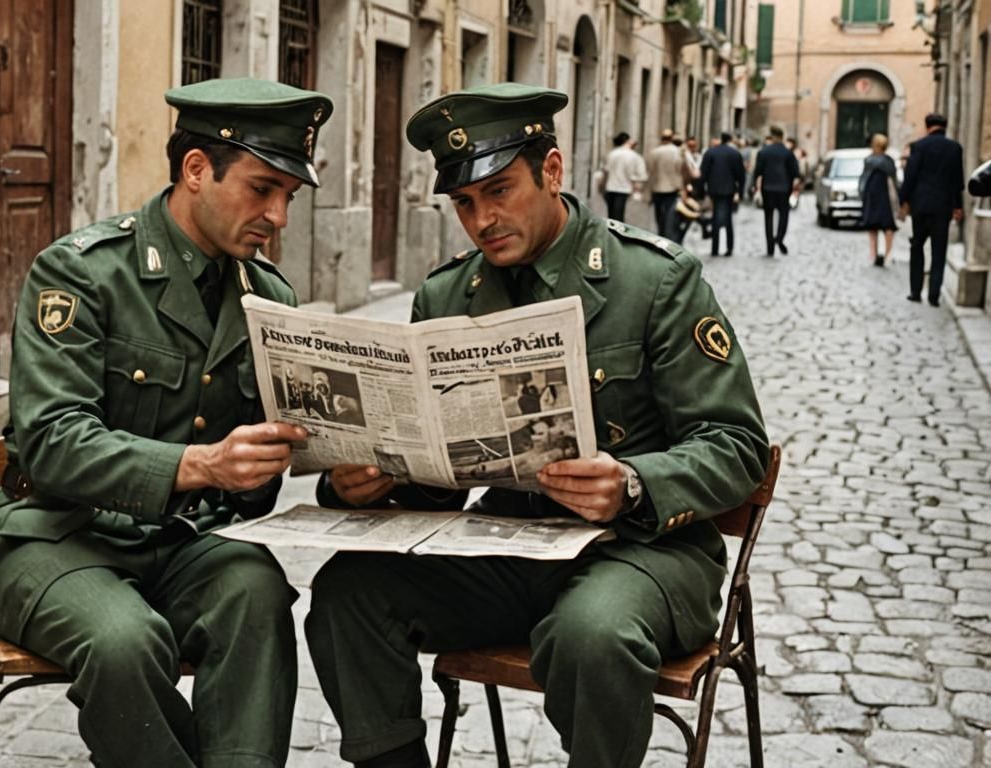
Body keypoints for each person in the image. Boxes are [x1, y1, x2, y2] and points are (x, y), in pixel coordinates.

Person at [304, 83, 770, 768]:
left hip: (643, 554)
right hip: (511, 547)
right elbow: (444, 476)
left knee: (590, 634)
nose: (482, 219)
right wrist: (368, 480)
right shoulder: (447, 295)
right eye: (465, 203)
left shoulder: (655, 280)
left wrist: (633, 483)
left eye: (500, 191)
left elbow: (737, 448)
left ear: (551, 172)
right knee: (349, 591)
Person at [0, 77, 330, 768]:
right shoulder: (82, 274)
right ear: (197, 170)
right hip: (52, 536)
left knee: (257, 592)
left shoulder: (265, 296)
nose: (279, 216)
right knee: (124, 642)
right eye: (262, 189)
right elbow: (52, 444)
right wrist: (200, 464)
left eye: (290, 196)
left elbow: (248, 500)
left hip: (180, 543)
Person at [900, 113, 966, 306]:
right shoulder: (955, 148)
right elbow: (958, 181)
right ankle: (934, 295)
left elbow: (910, 175)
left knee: (917, 246)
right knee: (939, 250)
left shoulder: (919, 146)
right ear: (944, 127)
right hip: (943, 207)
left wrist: (904, 198)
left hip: (920, 205)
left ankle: (915, 291)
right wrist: (958, 206)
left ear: (928, 126)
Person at [751, 126, 801, 258]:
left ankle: (770, 248)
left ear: (772, 136)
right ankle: (779, 238)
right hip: (784, 189)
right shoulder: (788, 153)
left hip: (768, 188)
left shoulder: (764, 152)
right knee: (784, 216)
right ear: (782, 137)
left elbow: (757, 172)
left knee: (768, 217)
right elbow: (795, 172)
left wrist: (754, 186)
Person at [700, 131, 746, 257]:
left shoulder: (710, 152)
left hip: (714, 189)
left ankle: (715, 248)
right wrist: (740, 192)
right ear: (730, 139)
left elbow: (703, 173)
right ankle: (729, 247)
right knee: (728, 218)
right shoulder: (735, 154)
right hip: (729, 189)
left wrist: (702, 191)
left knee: (716, 217)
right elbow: (740, 175)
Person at [858, 133, 899, 267]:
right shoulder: (888, 161)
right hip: (884, 195)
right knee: (887, 226)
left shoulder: (869, 160)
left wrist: (862, 193)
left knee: (873, 226)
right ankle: (887, 254)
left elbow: (863, 179)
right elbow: (894, 179)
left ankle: (873, 254)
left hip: (873, 195)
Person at [602, 131, 648, 223]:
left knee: (611, 218)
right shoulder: (635, 156)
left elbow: (606, 172)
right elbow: (642, 176)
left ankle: (611, 235)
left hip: (610, 188)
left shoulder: (612, 154)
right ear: (628, 141)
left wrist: (602, 187)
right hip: (624, 189)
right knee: (619, 218)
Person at [647, 128, 685, 239]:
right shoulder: (677, 152)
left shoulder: (655, 152)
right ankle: (668, 234)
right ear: (672, 138)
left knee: (659, 213)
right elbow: (680, 169)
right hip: (673, 187)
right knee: (670, 213)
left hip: (658, 187)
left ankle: (661, 231)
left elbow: (651, 170)